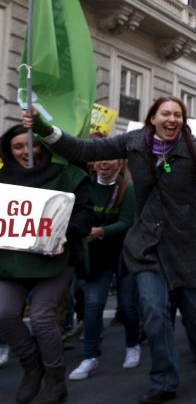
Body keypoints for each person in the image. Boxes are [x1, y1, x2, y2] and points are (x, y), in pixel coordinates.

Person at [24, 98, 196, 404]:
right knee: (153, 312)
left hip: (189, 244)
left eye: (178, 114)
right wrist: (45, 128)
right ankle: (164, 380)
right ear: (152, 118)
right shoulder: (133, 142)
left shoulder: (195, 147)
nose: (172, 119)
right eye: (165, 113)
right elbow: (83, 150)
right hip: (147, 245)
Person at [0, 125, 93, 404]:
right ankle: (32, 366)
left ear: (44, 146)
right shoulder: (1, 180)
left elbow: (85, 214)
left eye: (32, 145)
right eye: (18, 147)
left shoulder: (67, 176)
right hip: (11, 262)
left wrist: (68, 231)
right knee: (3, 312)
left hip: (56, 259)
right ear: (8, 151)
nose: (27, 152)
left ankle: (55, 380)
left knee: (41, 317)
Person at [68, 155, 140, 381]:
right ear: (93, 163)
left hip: (124, 255)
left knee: (128, 304)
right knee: (92, 304)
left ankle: (132, 345)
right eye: (99, 159)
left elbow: (128, 222)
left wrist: (101, 232)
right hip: (96, 257)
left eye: (110, 159)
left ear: (120, 164)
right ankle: (90, 357)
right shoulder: (85, 186)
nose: (104, 163)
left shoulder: (128, 189)